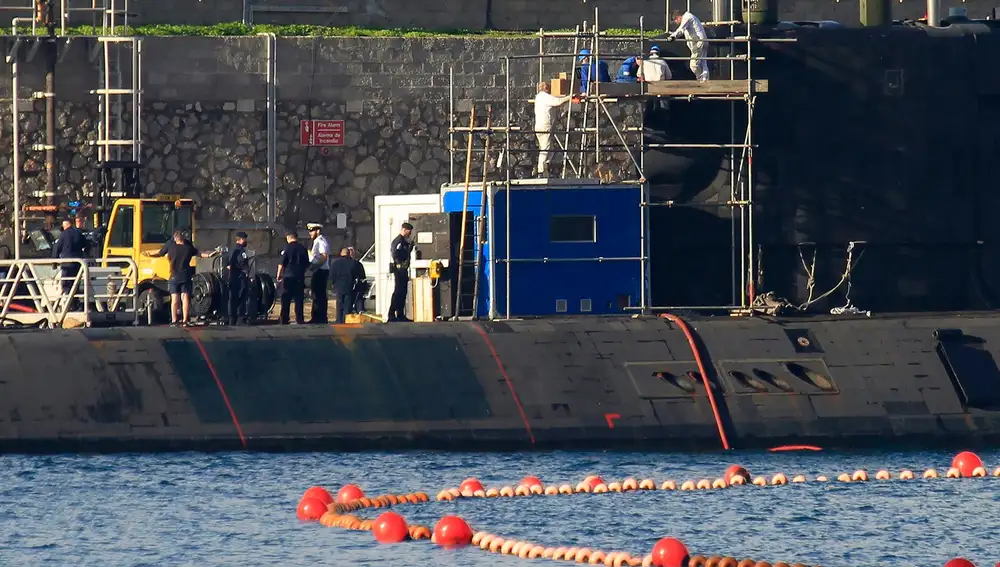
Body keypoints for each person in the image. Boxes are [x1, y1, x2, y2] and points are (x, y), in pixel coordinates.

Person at [143, 230, 218, 326]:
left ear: (175, 239)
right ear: (183, 238)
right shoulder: (188, 247)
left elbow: (160, 253)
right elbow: (199, 253)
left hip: (174, 275)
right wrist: (210, 254)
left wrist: (149, 254)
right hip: (185, 275)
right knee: (185, 298)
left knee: (174, 299)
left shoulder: (170, 245)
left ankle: (174, 320)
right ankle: (185, 320)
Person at [534, 82, 573, 177]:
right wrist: (569, 97)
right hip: (545, 126)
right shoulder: (544, 97)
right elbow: (557, 102)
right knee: (545, 148)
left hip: (539, 125)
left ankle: (546, 165)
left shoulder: (538, 97)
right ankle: (540, 170)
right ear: (545, 88)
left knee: (550, 148)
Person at [275, 229, 310, 325]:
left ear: (288, 237)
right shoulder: (302, 248)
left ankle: (284, 319)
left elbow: (281, 263)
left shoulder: (286, 248)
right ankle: (300, 319)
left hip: (288, 277)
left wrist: (278, 275)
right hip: (299, 277)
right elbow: (307, 263)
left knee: (285, 299)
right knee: (299, 299)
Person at [51, 218, 89, 303]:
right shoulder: (78, 233)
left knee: (66, 284)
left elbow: (57, 248)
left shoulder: (63, 234)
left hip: (66, 264)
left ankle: (69, 303)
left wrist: (54, 262)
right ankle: (76, 303)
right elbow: (87, 245)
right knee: (76, 283)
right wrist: (85, 254)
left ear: (66, 225)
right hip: (78, 262)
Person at [667, 10, 709, 82]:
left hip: (699, 43)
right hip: (702, 41)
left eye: (676, 21)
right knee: (703, 63)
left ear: (678, 17)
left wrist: (672, 36)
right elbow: (682, 31)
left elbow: (681, 29)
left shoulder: (687, 17)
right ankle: (705, 80)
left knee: (693, 65)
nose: (677, 23)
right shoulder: (689, 18)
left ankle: (700, 78)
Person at [388, 222, 414, 322]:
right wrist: (400, 264)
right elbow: (395, 254)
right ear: (404, 230)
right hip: (399, 270)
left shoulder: (404, 241)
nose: (410, 234)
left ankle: (400, 314)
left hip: (403, 269)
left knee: (403, 292)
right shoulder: (399, 241)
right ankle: (391, 314)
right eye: (409, 232)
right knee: (398, 292)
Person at [306, 222, 330, 324]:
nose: (310, 233)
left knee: (318, 295)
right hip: (318, 270)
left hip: (321, 271)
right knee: (316, 294)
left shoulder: (320, 241)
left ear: (318, 231)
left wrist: (314, 266)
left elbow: (323, 257)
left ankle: (320, 317)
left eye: (312, 231)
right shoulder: (316, 241)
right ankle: (317, 316)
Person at [225, 231, 251, 325]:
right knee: (241, 297)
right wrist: (246, 271)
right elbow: (242, 263)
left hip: (232, 277)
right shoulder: (240, 251)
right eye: (244, 239)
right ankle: (241, 318)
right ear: (240, 240)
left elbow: (227, 264)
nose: (245, 241)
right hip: (240, 277)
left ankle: (231, 318)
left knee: (232, 298)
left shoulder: (231, 250)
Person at [328, 248, 358, 324]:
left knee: (339, 304)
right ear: (349, 254)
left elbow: (331, 276)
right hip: (349, 285)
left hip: (338, 286)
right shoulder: (353, 263)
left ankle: (339, 320)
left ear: (341, 253)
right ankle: (346, 320)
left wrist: (329, 286)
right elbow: (358, 276)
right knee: (347, 304)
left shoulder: (335, 263)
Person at [347, 247, 368, 314]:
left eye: (352, 253)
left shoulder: (358, 264)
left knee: (359, 299)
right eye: (350, 253)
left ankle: (360, 311)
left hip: (358, 287)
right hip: (348, 287)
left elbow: (363, 277)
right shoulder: (344, 264)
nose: (351, 254)